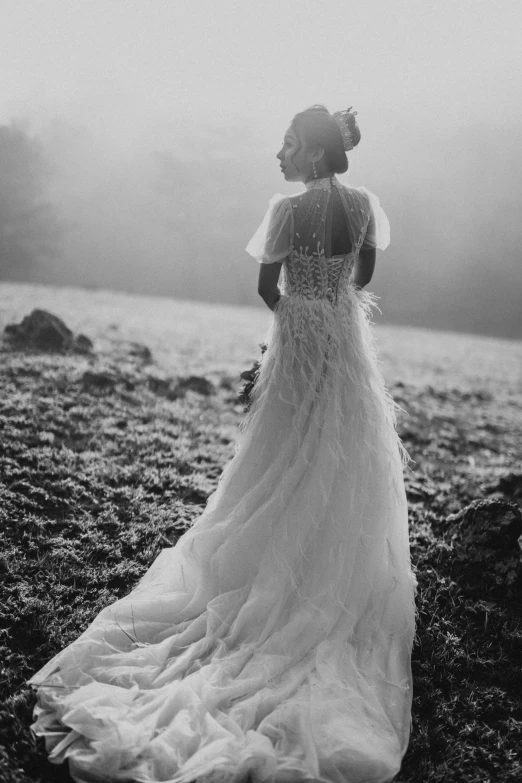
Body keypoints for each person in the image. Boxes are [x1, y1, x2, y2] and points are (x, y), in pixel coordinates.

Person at [28, 104, 418, 783]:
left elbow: (269, 286)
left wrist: (296, 326)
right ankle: (329, 573)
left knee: (278, 460)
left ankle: (268, 576)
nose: (279, 154)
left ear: (315, 153)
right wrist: (332, 313)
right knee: (344, 457)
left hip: (298, 343)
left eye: (289, 143)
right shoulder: (362, 206)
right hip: (349, 348)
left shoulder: (285, 211)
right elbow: (364, 276)